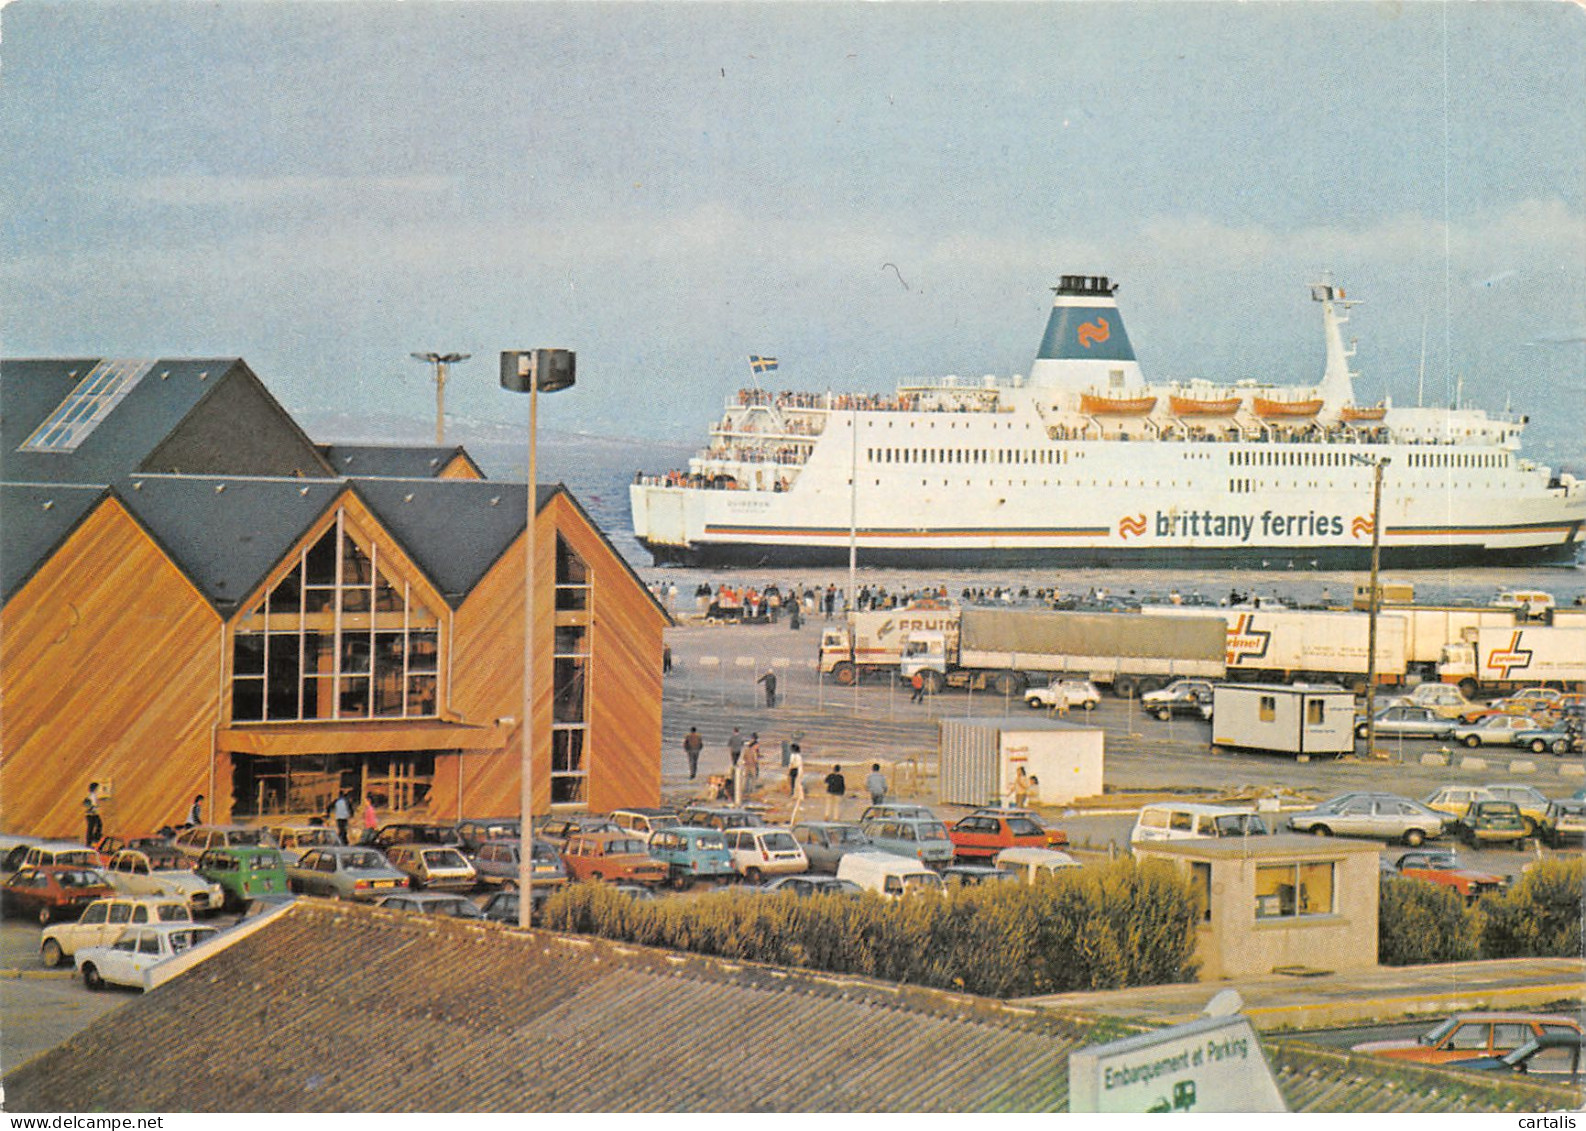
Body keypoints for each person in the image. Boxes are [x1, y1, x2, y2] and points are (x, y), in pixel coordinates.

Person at [83, 782, 102, 847]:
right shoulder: (93, 796)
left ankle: (91, 840)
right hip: (92, 814)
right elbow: (91, 805)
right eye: (98, 788)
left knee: (92, 827)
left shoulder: (92, 795)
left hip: (92, 813)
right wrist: (93, 809)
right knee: (95, 826)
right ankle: (92, 840)